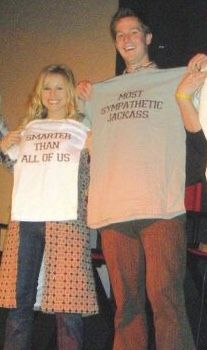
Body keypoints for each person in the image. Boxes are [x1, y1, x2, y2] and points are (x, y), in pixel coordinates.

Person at [76, 7, 207, 350]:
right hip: (113, 213)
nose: (126, 39)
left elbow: (198, 131)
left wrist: (199, 67)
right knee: (127, 309)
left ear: (148, 38)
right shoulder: (100, 94)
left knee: (167, 303)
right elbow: (76, 136)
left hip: (160, 209)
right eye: (120, 35)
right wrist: (83, 97)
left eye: (133, 32)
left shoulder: (174, 81)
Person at [0, 64, 98, 350]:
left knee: (67, 308)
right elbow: (11, 163)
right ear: (38, 92)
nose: (52, 94)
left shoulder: (81, 127)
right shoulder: (28, 129)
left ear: (69, 92)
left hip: (66, 219)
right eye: (46, 87)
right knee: (20, 303)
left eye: (59, 87)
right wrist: (4, 145)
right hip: (26, 220)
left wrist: (93, 149)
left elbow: (94, 171)